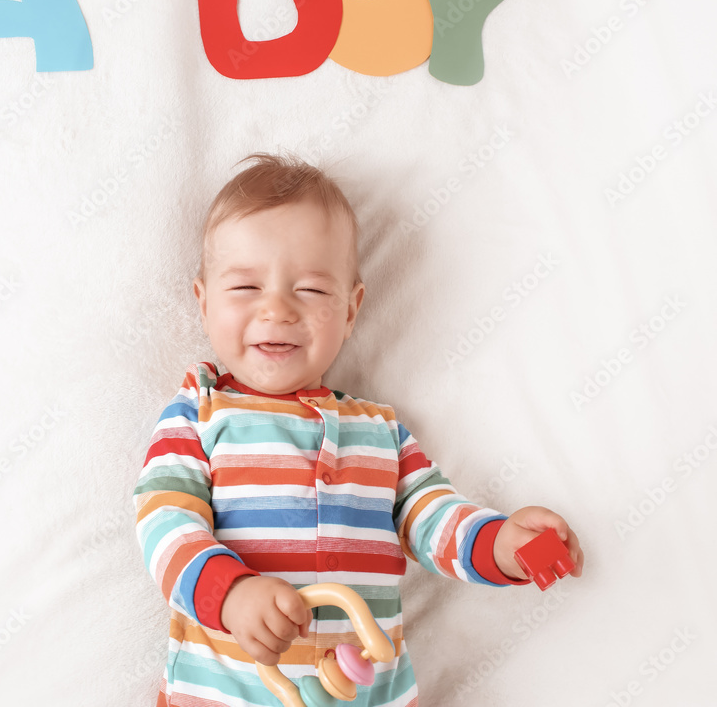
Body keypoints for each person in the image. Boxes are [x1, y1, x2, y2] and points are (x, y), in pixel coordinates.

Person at [132, 151, 583, 707]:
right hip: (228, 690)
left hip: (369, 692)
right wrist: (231, 594)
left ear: (351, 309)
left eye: (312, 291)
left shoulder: (380, 432)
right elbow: (164, 522)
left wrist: (500, 544)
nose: (276, 309)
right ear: (203, 304)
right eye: (246, 288)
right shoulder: (200, 412)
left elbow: (433, 516)